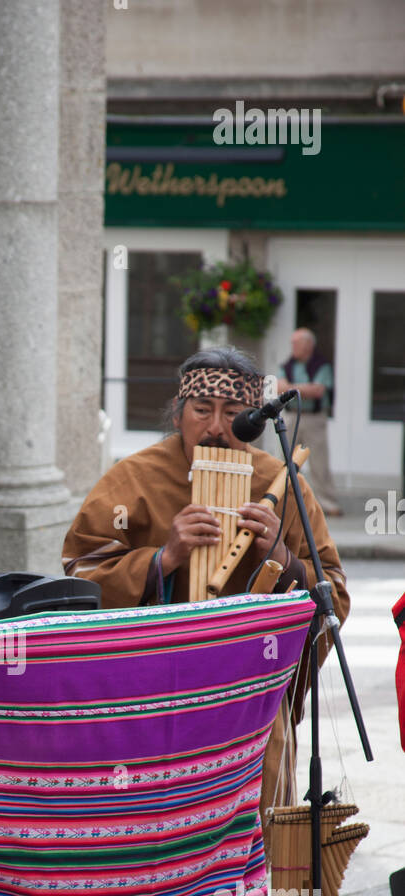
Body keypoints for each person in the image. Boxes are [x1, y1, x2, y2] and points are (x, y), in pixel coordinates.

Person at [62, 346, 349, 827]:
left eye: (234, 415)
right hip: (151, 700)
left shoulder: (281, 483)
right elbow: (81, 573)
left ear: (255, 422)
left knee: (254, 845)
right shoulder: (134, 478)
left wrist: (278, 557)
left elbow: (334, 594)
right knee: (155, 836)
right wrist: (163, 559)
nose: (216, 428)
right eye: (202, 411)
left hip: (254, 704)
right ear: (178, 414)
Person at [278, 327, 341, 517]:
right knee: (284, 459)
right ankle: (284, 498)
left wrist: (291, 388)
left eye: (296, 342)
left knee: (319, 461)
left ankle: (327, 502)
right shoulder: (288, 365)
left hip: (314, 418)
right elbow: (279, 387)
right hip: (291, 415)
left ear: (308, 345)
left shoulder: (321, 365)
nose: (293, 346)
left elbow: (318, 391)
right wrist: (301, 388)